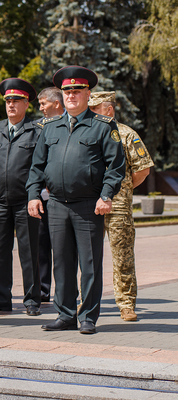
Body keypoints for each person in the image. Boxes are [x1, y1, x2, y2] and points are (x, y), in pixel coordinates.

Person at [27, 66, 125, 334]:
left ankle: (88, 317)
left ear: (87, 94)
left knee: (90, 263)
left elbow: (116, 166)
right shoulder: (50, 127)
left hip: (88, 205)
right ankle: (66, 314)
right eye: (67, 91)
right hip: (56, 204)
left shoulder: (103, 126)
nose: (71, 95)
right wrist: (33, 195)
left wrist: (106, 195)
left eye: (77, 90)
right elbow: (37, 165)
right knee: (62, 262)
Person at [0, 78, 42, 316]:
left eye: (16, 101)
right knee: (0, 253)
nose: (11, 105)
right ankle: (1, 299)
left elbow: (40, 166)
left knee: (29, 252)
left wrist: (36, 195)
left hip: (26, 201)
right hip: (0, 202)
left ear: (27, 104)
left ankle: (32, 300)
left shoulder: (36, 132)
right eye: (8, 101)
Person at [88, 91, 154, 322]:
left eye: (96, 109)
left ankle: (126, 304)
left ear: (109, 110)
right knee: (88, 257)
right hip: (89, 205)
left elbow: (142, 170)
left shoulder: (126, 134)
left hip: (118, 207)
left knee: (122, 256)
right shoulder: (86, 133)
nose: (91, 113)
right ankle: (87, 303)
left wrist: (123, 189)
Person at [36, 87, 65, 302]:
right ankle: (43, 289)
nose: (41, 108)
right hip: (42, 197)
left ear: (56, 103)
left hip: (63, 197)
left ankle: (66, 292)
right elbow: (36, 160)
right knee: (41, 245)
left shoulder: (71, 123)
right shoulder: (38, 127)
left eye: (43, 103)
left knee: (64, 248)